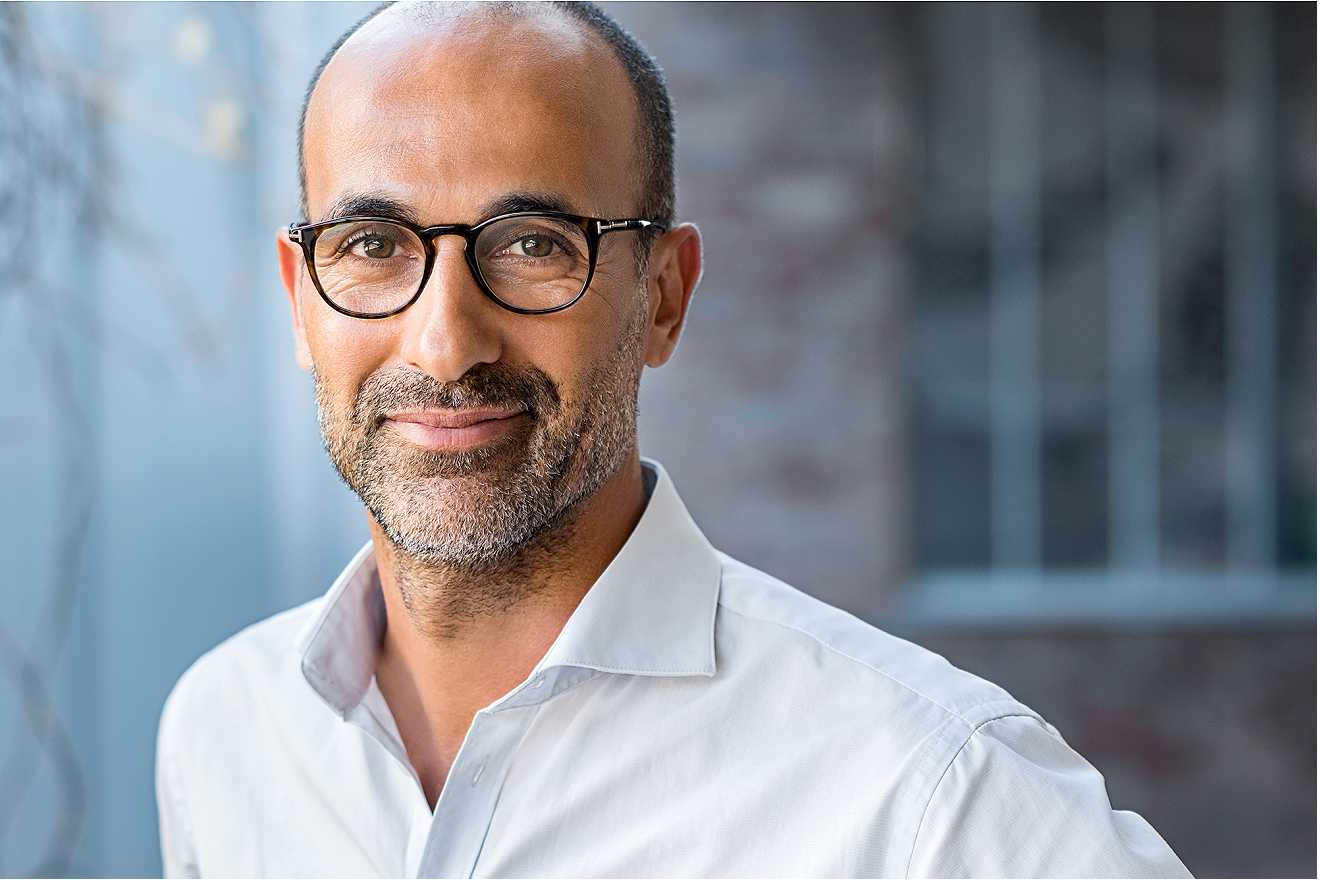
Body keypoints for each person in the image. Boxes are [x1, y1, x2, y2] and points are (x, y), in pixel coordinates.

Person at [154, 2, 1193, 877]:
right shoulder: (228, 732)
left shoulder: (936, 798)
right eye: (372, 246)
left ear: (663, 295)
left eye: (531, 245)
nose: (447, 340)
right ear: (301, 304)